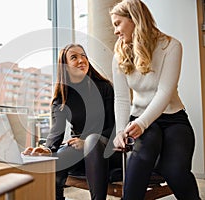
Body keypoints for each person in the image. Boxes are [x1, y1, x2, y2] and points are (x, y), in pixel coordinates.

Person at [110, 0, 201, 199]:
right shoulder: (119, 54)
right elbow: (122, 98)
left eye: (118, 23)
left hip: (172, 118)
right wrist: (120, 131)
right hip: (139, 118)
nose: (115, 31)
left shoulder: (171, 45)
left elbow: (165, 92)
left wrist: (142, 124)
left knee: (175, 171)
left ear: (134, 19)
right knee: (142, 157)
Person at [23, 43, 121, 200]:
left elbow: (115, 127)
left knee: (93, 141)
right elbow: (56, 135)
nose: (81, 60)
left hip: (106, 148)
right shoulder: (61, 99)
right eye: (74, 57)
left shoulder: (104, 87)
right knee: (55, 162)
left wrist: (86, 142)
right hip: (79, 150)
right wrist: (46, 150)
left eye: (83, 56)